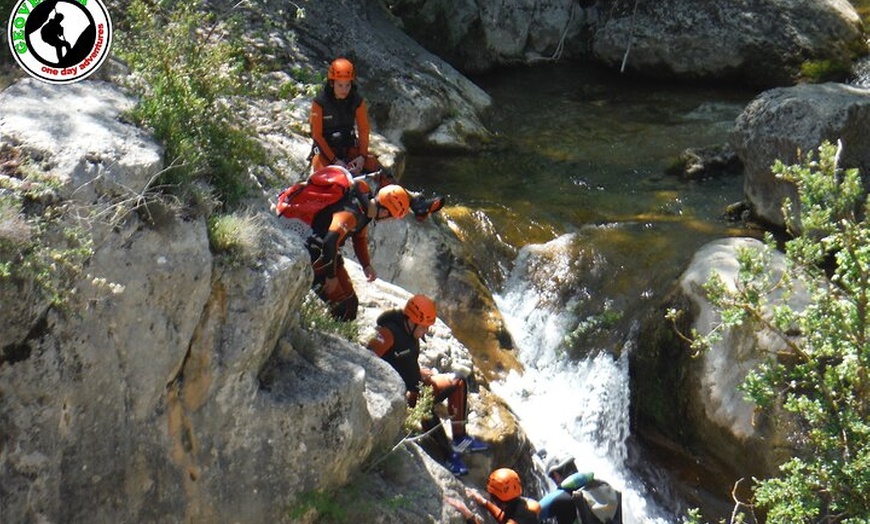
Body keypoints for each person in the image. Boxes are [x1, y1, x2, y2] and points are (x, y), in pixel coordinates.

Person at [367, 294, 489, 475]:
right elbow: (368, 361)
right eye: (424, 327)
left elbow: (405, 360)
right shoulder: (387, 333)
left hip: (414, 385)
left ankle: (460, 438)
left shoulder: (411, 331)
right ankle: (449, 457)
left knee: (459, 382)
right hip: (400, 394)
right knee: (425, 404)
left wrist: (418, 373)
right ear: (413, 320)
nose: (426, 331)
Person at [309, 177, 411, 321]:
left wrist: (366, 265)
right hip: (315, 255)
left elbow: (359, 237)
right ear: (384, 212)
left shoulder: (366, 209)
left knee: (351, 304)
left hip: (328, 256)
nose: (389, 221)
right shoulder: (353, 212)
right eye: (391, 217)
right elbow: (329, 241)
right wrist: (331, 278)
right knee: (342, 308)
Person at [309, 57, 381, 175]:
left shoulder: (357, 101)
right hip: (326, 152)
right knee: (323, 175)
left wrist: (362, 156)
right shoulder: (320, 103)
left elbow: (363, 130)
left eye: (347, 85)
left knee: (374, 165)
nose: (344, 90)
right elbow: (317, 136)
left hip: (349, 148)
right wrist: (335, 160)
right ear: (332, 83)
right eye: (340, 85)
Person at [538, 455, 623, 524]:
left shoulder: (560, 497)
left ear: (556, 475)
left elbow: (531, 511)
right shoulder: (601, 487)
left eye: (552, 477)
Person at [445, 467, 541, 524]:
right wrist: (484, 503)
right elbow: (506, 518)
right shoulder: (529, 505)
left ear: (499, 502)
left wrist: (468, 514)